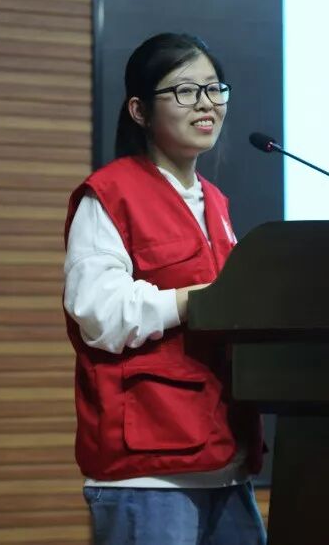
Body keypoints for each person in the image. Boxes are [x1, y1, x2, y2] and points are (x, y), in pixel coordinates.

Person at [62, 33, 266, 545]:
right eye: (185, 91)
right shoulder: (110, 194)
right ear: (139, 110)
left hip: (226, 460)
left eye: (214, 89)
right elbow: (99, 312)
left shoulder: (216, 202)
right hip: (149, 473)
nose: (205, 103)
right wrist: (200, 299)